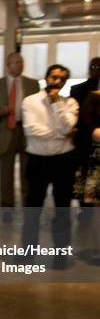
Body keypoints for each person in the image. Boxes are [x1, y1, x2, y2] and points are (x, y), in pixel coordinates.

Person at [22, 64, 78, 250]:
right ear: (46, 77)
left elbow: (67, 127)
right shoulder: (30, 101)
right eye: (54, 77)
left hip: (63, 160)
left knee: (62, 209)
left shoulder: (70, 103)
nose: (57, 81)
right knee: (32, 209)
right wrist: (61, 134)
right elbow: (32, 130)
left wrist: (56, 105)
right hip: (38, 160)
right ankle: (28, 252)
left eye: (62, 79)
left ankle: (60, 254)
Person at [0, 52, 40, 214]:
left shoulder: (33, 84)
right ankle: (7, 206)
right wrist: (1, 111)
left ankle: (27, 204)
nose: (20, 65)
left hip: (26, 132)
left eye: (21, 62)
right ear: (8, 65)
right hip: (6, 131)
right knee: (6, 172)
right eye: (16, 62)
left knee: (27, 171)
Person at [72, 57, 100, 211]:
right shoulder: (78, 90)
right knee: (86, 182)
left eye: (99, 66)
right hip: (86, 143)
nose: (96, 68)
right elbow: (76, 119)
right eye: (93, 66)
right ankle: (85, 210)